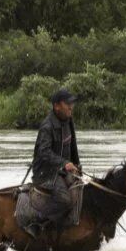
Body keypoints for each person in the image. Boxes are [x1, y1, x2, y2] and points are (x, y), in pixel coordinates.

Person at [27, 88, 83, 235]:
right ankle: (38, 220)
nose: (71, 106)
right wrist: (64, 163)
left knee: (83, 189)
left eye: (72, 103)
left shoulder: (68, 120)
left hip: (61, 169)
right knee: (64, 199)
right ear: (56, 106)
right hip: (45, 172)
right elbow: (43, 152)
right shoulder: (47, 126)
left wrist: (77, 166)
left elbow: (73, 147)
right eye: (68, 103)